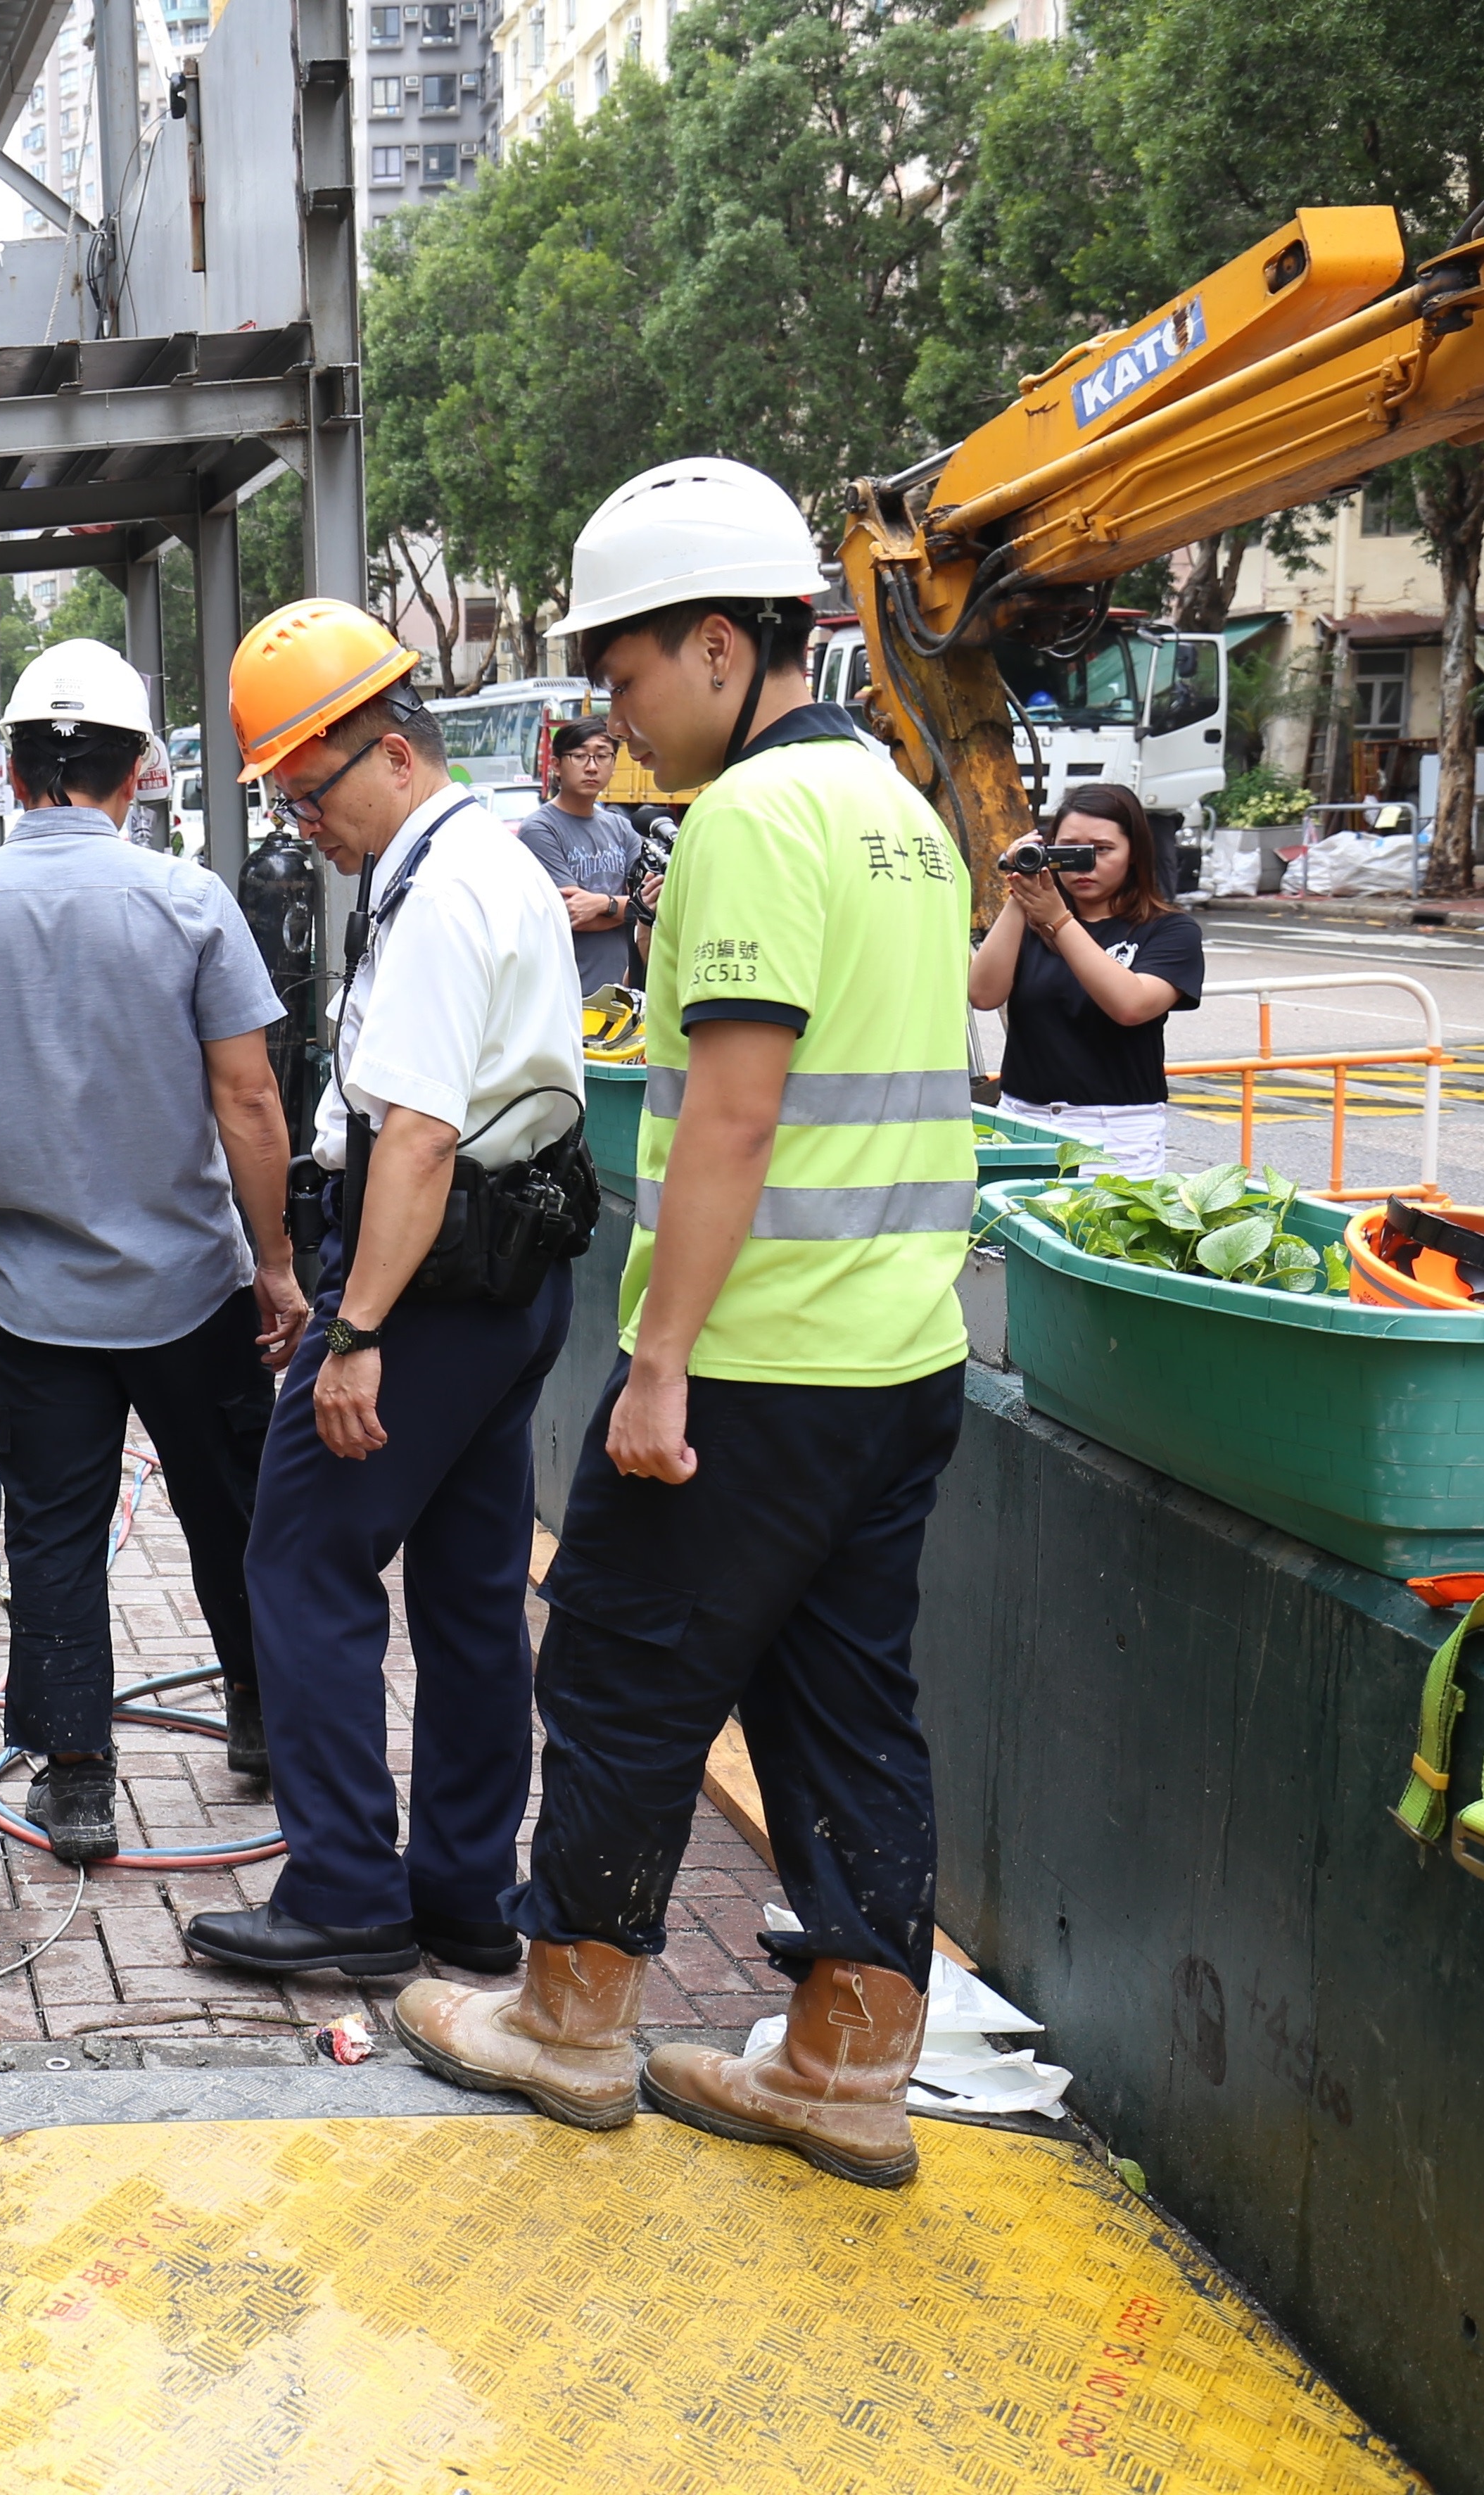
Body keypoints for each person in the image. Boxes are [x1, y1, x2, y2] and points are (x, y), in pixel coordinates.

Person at [393, 457, 974, 2190]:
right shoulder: (902, 816)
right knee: (845, 1703)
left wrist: (656, 1366)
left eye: (629, 669)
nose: (615, 714)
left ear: (722, 643)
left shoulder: (748, 826)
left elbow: (729, 1113)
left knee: (628, 1677)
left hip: (748, 1367)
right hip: (899, 1358)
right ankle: (847, 2064)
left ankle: (572, 2022)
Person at [178, 600, 588, 1982]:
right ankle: (465, 1891)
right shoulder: (494, 861)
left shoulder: (440, 894)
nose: (302, 821)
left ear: (391, 752)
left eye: (309, 787)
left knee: (300, 1560)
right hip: (507, 1270)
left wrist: (353, 1331)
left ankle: (349, 1887)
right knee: (472, 1593)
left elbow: (413, 1133)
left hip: (423, 1272)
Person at [0, 638, 309, 1863]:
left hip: (32, 1296)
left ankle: (76, 1778)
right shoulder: (189, 903)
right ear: (137, 773)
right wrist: (273, 1265)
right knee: (231, 1513)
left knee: (57, 1532)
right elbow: (249, 1104)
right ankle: (263, 1728)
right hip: (189, 1286)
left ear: (10, 775)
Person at [966, 783, 1205, 1176]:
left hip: (1116, 1131)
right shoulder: (1032, 920)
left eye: (1102, 850)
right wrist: (1020, 891)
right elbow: (983, 994)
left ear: (1135, 854)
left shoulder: (1170, 930)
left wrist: (1058, 920)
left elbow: (1131, 1006)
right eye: (1068, 851)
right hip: (1022, 1120)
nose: (1084, 865)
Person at [518, 717, 649, 997]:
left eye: (602, 756)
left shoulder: (620, 826)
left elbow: (653, 901)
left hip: (622, 986)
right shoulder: (540, 829)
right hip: (570, 991)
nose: (592, 766)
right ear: (556, 766)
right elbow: (574, 914)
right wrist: (630, 910)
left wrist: (603, 903)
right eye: (579, 756)